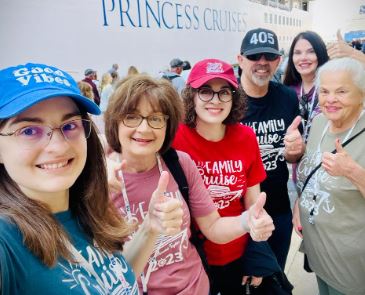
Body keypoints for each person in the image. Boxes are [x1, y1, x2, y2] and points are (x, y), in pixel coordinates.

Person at [0, 62, 183, 294]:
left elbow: (116, 281)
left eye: (69, 125)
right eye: (28, 131)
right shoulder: (7, 243)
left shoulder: (88, 207)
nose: (57, 146)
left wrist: (150, 228)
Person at [104, 74, 275, 294]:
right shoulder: (98, 177)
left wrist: (246, 221)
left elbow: (213, 227)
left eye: (156, 118)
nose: (144, 129)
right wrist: (100, 160)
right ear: (115, 120)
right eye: (132, 117)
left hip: (196, 286)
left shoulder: (180, 164)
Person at [172, 58, 267, 294]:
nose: (215, 101)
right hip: (191, 258)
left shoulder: (245, 137)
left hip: (238, 250)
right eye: (205, 92)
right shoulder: (174, 138)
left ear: (233, 98)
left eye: (224, 92)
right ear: (191, 96)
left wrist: (256, 255)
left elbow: (253, 201)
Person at [292, 57, 365, 295]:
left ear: (362, 94)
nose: (330, 99)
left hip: (352, 265)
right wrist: (298, 205)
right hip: (320, 253)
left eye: (342, 91)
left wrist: (353, 172)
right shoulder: (320, 122)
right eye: (324, 91)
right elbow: (312, 175)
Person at [237, 27, 305, 270]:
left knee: (275, 278)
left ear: (278, 60)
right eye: (255, 56)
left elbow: (294, 154)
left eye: (269, 56)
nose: (262, 63)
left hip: (278, 209)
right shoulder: (226, 100)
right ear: (240, 59)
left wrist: (295, 150)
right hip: (238, 214)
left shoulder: (287, 97)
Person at [284, 31, 329, 141]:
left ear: (320, 54)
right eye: (297, 53)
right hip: (293, 154)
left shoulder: (332, 89)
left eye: (311, 51)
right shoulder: (287, 91)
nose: (303, 58)